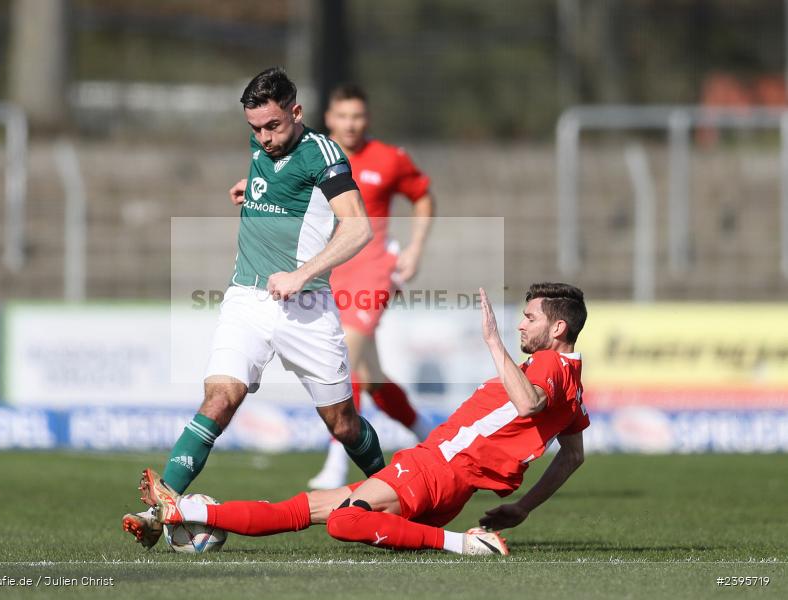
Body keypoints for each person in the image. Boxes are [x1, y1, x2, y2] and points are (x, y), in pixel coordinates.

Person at [122, 67, 387, 548]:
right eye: (255, 129)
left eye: (273, 126)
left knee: (343, 424)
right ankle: (158, 512)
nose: (264, 138)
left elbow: (357, 228)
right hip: (246, 298)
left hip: (305, 306)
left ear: (296, 112)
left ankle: (400, 496)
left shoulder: (323, 153)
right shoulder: (262, 145)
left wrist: (301, 274)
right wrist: (253, 192)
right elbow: (281, 185)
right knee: (219, 399)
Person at [137, 283, 589, 555]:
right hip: (446, 480)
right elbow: (572, 457)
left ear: (558, 329)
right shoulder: (573, 386)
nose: (520, 325)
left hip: (437, 468)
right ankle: (182, 511)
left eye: (529, 318)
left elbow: (528, 403)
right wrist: (523, 508)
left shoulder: (549, 365)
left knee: (343, 521)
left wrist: (492, 342)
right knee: (301, 509)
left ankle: (464, 545)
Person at [308, 84, 437, 489]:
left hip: (374, 270)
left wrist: (415, 248)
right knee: (373, 377)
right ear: (329, 118)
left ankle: (337, 462)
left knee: (342, 358)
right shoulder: (312, 155)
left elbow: (422, 197)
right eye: (343, 116)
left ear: (367, 118)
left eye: (358, 116)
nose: (351, 124)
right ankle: (432, 438)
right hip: (329, 271)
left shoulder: (389, 158)